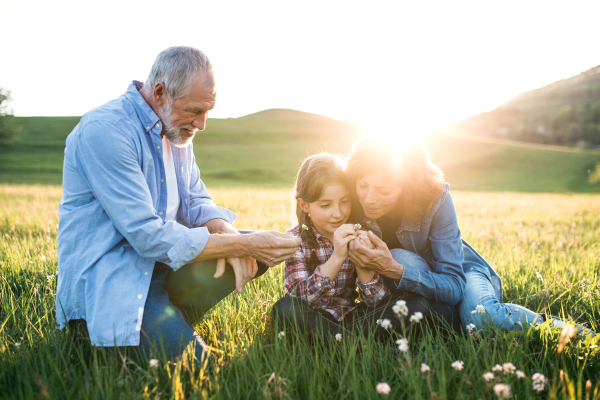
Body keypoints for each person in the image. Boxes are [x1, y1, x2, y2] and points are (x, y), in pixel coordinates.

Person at [56, 46, 301, 364]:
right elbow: (147, 236)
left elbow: (196, 202)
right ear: (160, 92)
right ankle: (104, 342)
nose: (202, 124)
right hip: (116, 286)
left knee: (253, 250)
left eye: (207, 112)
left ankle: (170, 322)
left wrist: (234, 241)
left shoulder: (175, 129)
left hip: (162, 271)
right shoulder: (105, 131)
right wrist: (242, 243)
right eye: (196, 111)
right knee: (204, 373)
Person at [345, 134, 594, 335]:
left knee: (481, 320)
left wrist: (394, 270)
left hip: (460, 274)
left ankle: (576, 334)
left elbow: (454, 284)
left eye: (384, 190)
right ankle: (456, 323)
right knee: (404, 258)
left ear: (407, 187)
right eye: (363, 185)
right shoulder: (350, 203)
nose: (369, 198)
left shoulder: (435, 198)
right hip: (419, 289)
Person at [272, 153, 430, 339]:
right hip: (314, 320)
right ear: (304, 205)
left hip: (352, 319)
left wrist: (363, 263)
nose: (338, 214)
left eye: (345, 202)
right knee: (285, 308)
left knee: (417, 304)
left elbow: (377, 302)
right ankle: (359, 347)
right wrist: (337, 257)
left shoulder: (357, 233)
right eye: (325, 205)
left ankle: (343, 345)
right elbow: (299, 299)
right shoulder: (295, 240)